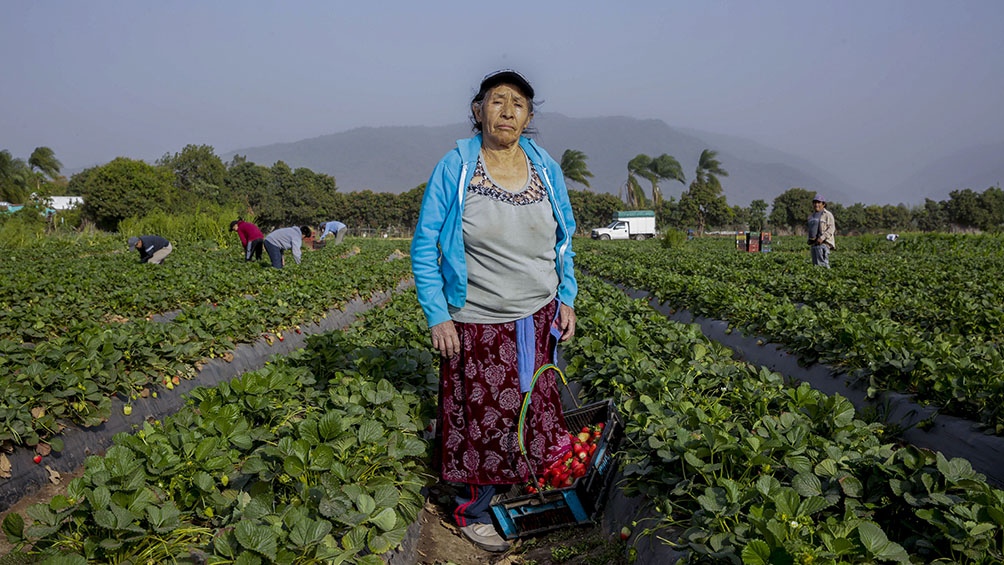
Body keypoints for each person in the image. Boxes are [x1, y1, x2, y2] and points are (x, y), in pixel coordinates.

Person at [410, 69, 578, 553]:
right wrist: (438, 314)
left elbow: (564, 239)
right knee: (480, 416)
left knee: (533, 402)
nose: (508, 111)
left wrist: (566, 297)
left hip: (539, 314)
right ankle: (474, 510)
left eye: (519, 104)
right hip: (478, 318)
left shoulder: (545, 167)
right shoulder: (457, 166)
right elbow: (424, 247)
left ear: (528, 117)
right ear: (478, 111)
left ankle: (522, 483)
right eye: (497, 101)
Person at [807, 194, 836, 267]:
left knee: (823, 264)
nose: (816, 205)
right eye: (815, 202)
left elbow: (831, 228)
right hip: (814, 244)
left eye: (819, 202)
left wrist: (822, 238)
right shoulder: (812, 216)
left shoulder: (827, 215)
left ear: (823, 204)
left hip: (823, 244)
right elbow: (811, 229)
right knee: (816, 266)